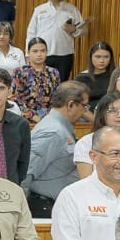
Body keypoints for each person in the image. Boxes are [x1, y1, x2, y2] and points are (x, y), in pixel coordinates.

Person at [23, 81, 90, 219]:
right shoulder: (53, 132)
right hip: (43, 207)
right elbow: (27, 172)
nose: (85, 112)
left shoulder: (59, 128)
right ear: (71, 105)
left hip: (53, 204)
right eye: (84, 106)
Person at [25, 0, 88, 82]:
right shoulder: (39, 9)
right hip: (42, 53)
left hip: (64, 54)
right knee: (41, 83)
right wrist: (28, 54)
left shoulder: (71, 9)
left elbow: (83, 30)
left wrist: (74, 30)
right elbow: (31, 32)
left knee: (61, 84)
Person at [10, 38, 60, 123]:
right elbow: (15, 98)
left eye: (42, 51)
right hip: (25, 118)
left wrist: (49, 116)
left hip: (50, 117)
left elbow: (57, 97)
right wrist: (33, 116)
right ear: (28, 52)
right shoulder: (19, 72)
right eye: (35, 51)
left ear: (47, 52)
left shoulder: (53, 72)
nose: (39, 54)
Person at [74, 40, 116, 108]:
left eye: (106, 57)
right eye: (97, 57)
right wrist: (93, 119)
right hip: (86, 115)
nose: (101, 61)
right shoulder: (80, 78)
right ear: (91, 57)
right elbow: (78, 104)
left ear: (111, 58)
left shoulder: (116, 76)